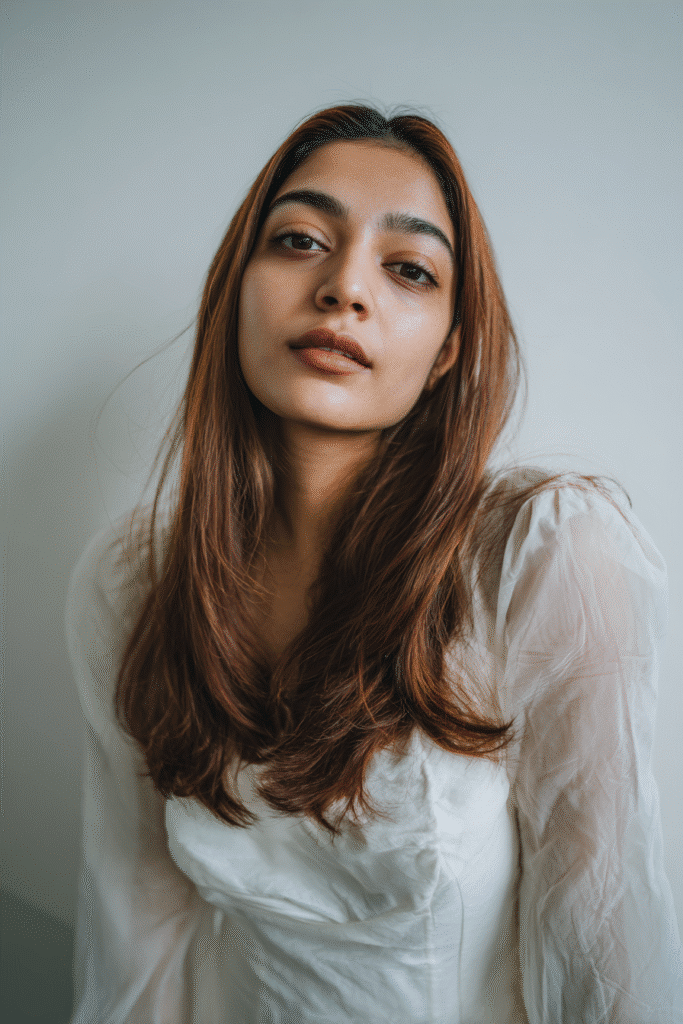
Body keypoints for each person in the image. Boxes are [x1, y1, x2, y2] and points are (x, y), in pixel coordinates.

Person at [64, 104, 683, 1023]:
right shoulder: (133, 581)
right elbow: (134, 931)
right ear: (235, 290)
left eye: (408, 269)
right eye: (300, 241)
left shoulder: (538, 555)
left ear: (447, 352)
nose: (345, 287)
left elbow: (603, 955)